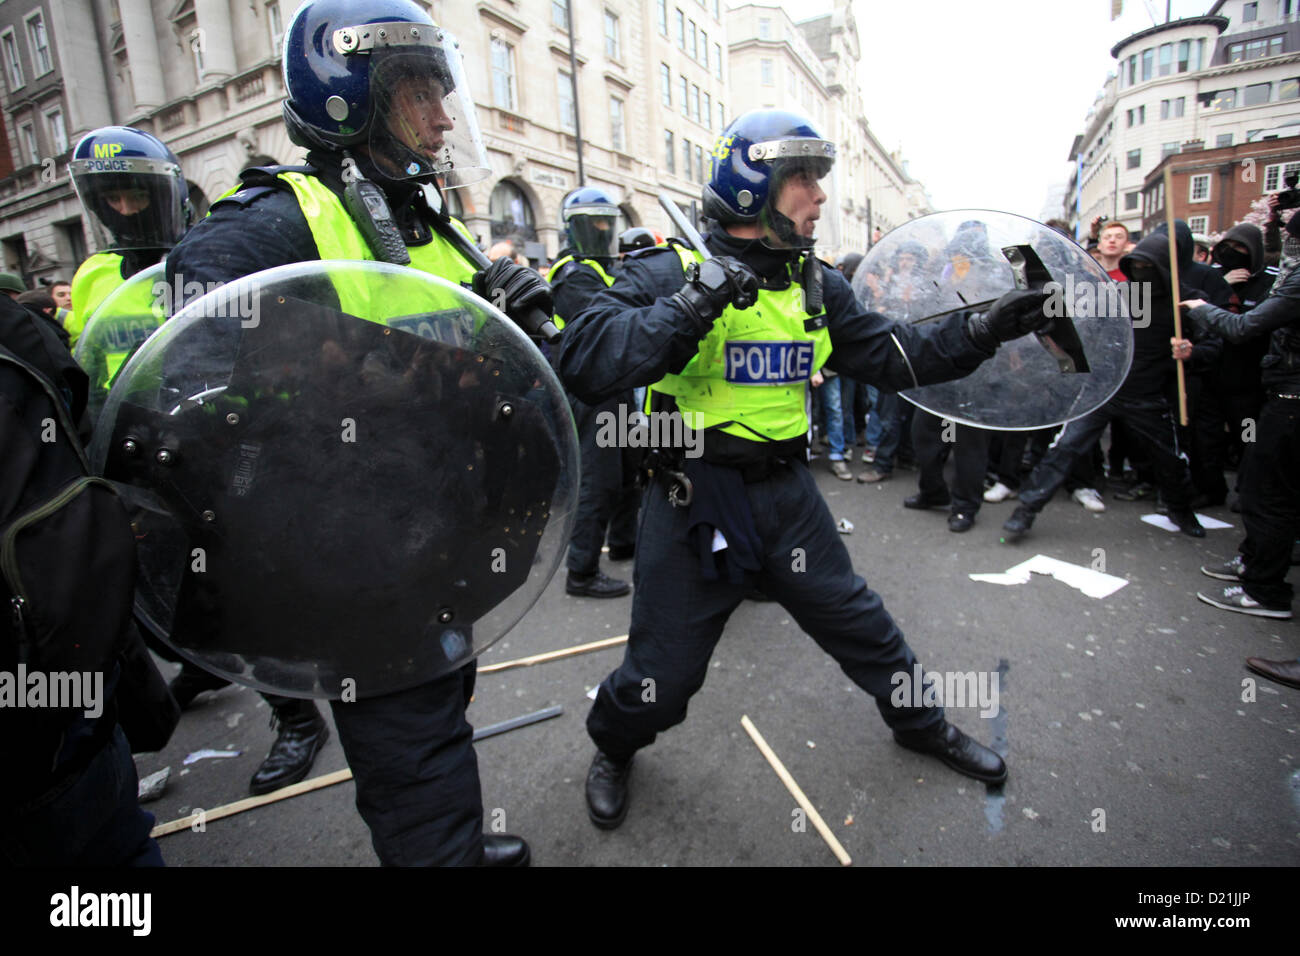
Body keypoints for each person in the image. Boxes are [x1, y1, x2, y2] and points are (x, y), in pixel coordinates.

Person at [558, 109, 1053, 829]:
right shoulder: (670, 269)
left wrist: (983, 327)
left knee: (864, 628)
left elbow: (896, 356)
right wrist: (695, 303)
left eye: (820, 180)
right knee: (661, 681)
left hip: (787, 497)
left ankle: (921, 726)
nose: (819, 197)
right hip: (695, 498)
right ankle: (613, 745)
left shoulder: (816, 284)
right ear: (753, 187)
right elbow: (587, 357)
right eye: (802, 180)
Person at [163, 0, 551, 865]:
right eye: (419, 93)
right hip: (364, 569)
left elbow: (459, 366)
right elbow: (189, 361)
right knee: (417, 776)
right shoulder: (280, 219)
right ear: (351, 98)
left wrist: (512, 329)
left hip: (441, 545)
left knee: (440, 726)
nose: (444, 116)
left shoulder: (425, 220)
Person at [1002, 229, 1210, 541]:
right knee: (1064, 448)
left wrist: (1191, 352)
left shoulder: (1187, 302)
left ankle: (1180, 509)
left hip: (1148, 395)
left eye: (1150, 267)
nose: (1142, 273)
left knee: (1168, 457)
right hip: (1103, 388)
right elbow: (1088, 331)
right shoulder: (1119, 293)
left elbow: (1217, 346)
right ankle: (1026, 510)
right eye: (1137, 266)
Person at [1177, 207, 1300, 619]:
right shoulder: (1267, 279)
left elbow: (1244, 328)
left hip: (1274, 400)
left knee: (1266, 492)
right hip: (1263, 393)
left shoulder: (1281, 283)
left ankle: (1265, 589)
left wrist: (1202, 307)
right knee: (1257, 486)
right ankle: (1254, 562)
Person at [547, 187, 634, 596]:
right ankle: (581, 571)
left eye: (607, 224)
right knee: (598, 481)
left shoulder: (602, 270)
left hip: (613, 385)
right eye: (593, 224)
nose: (602, 231)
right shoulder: (573, 274)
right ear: (573, 229)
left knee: (627, 471)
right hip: (591, 390)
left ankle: (623, 542)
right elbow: (607, 326)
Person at [67, 128, 191, 349]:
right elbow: (85, 354)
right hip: (120, 385)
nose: (126, 210)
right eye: (113, 199)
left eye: (138, 197)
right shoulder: (91, 274)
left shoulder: (199, 259)